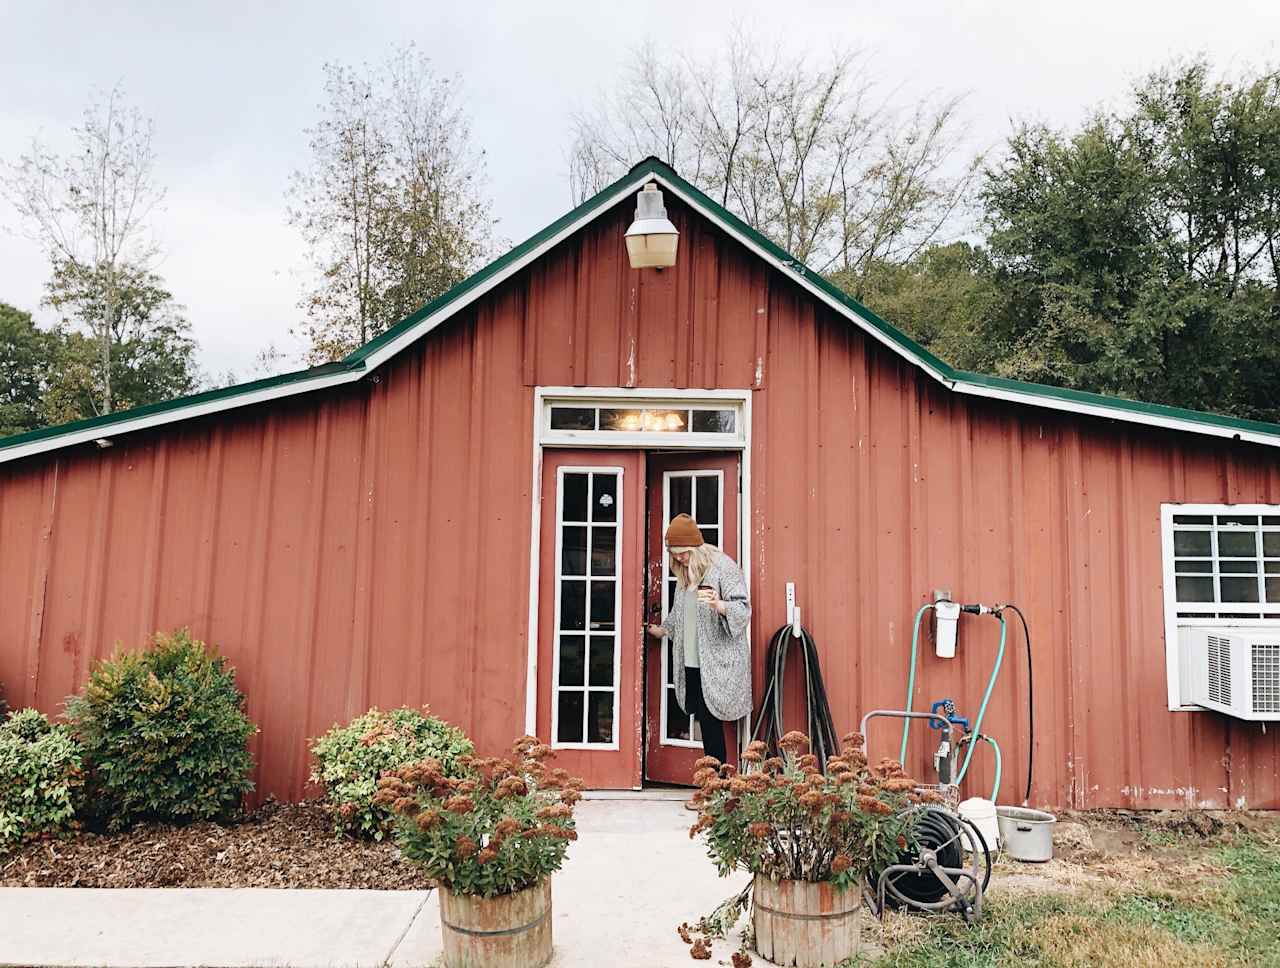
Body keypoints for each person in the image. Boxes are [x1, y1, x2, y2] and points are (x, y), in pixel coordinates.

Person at [647, 513, 751, 774]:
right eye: (675, 553)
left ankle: (717, 785)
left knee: (711, 721)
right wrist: (663, 630)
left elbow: (743, 609)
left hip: (716, 660)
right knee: (705, 721)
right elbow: (681, 612)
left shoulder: (723, 568)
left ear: (695, 546)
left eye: (683, 552)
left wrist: (719, 605)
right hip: (692, 660)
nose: (680, 558)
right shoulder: (685, 575)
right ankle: (716, 783)